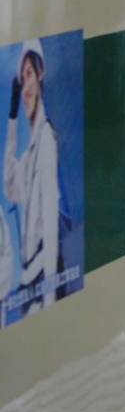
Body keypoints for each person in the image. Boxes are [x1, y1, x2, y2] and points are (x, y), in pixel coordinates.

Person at [4, 40, 60, 312]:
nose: (25, 87)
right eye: (21, 77)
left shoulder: (46, 141)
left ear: (40, 76)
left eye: (29, 74)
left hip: (41, 286)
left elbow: (50, 228)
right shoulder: (29, 154)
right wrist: (12, 119)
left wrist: (49, 298)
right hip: (29, 287)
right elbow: (8, 186)